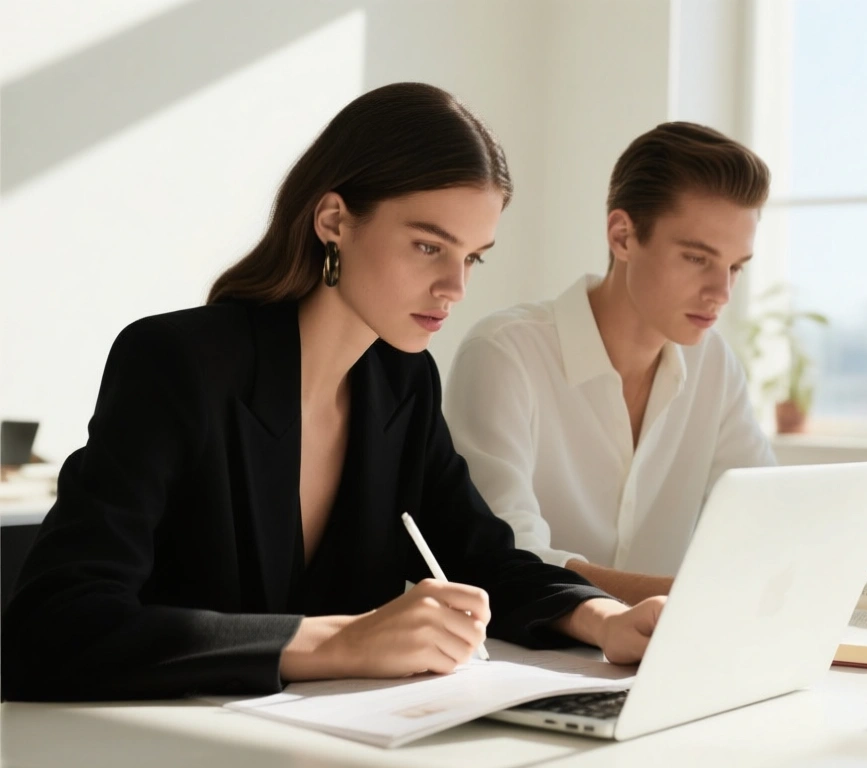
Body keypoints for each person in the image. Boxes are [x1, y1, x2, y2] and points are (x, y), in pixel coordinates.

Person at [1, 83, 661, 702]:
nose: (455, 287)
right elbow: (55, 626)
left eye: (472, 256)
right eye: (429, 246)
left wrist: (605, 620)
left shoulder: (401, 384)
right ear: (334, 219)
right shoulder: (177, 363)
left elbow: (483, 555)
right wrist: (334, 641)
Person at [445, 122, 867, 606]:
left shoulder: (712, 363)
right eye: (698, 258)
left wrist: (851, 562)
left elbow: (766, 517)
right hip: (522, 659)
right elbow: (510, 557)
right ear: (623, 236)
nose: (721, 292)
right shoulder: (505, 354)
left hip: (664, 655)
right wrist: (697, 600)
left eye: (736, 267)